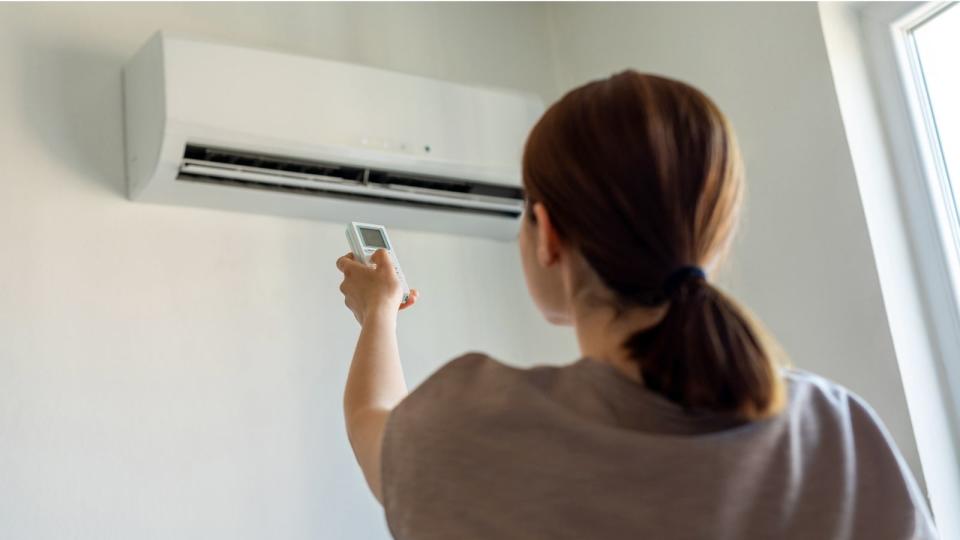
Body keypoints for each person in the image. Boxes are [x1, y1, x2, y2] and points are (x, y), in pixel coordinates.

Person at [335, 71, 937, 539]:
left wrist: (378, 313)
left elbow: (373, 424)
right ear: (714, 234)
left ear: (546, 234)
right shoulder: (837, 431)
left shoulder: (473, 428)